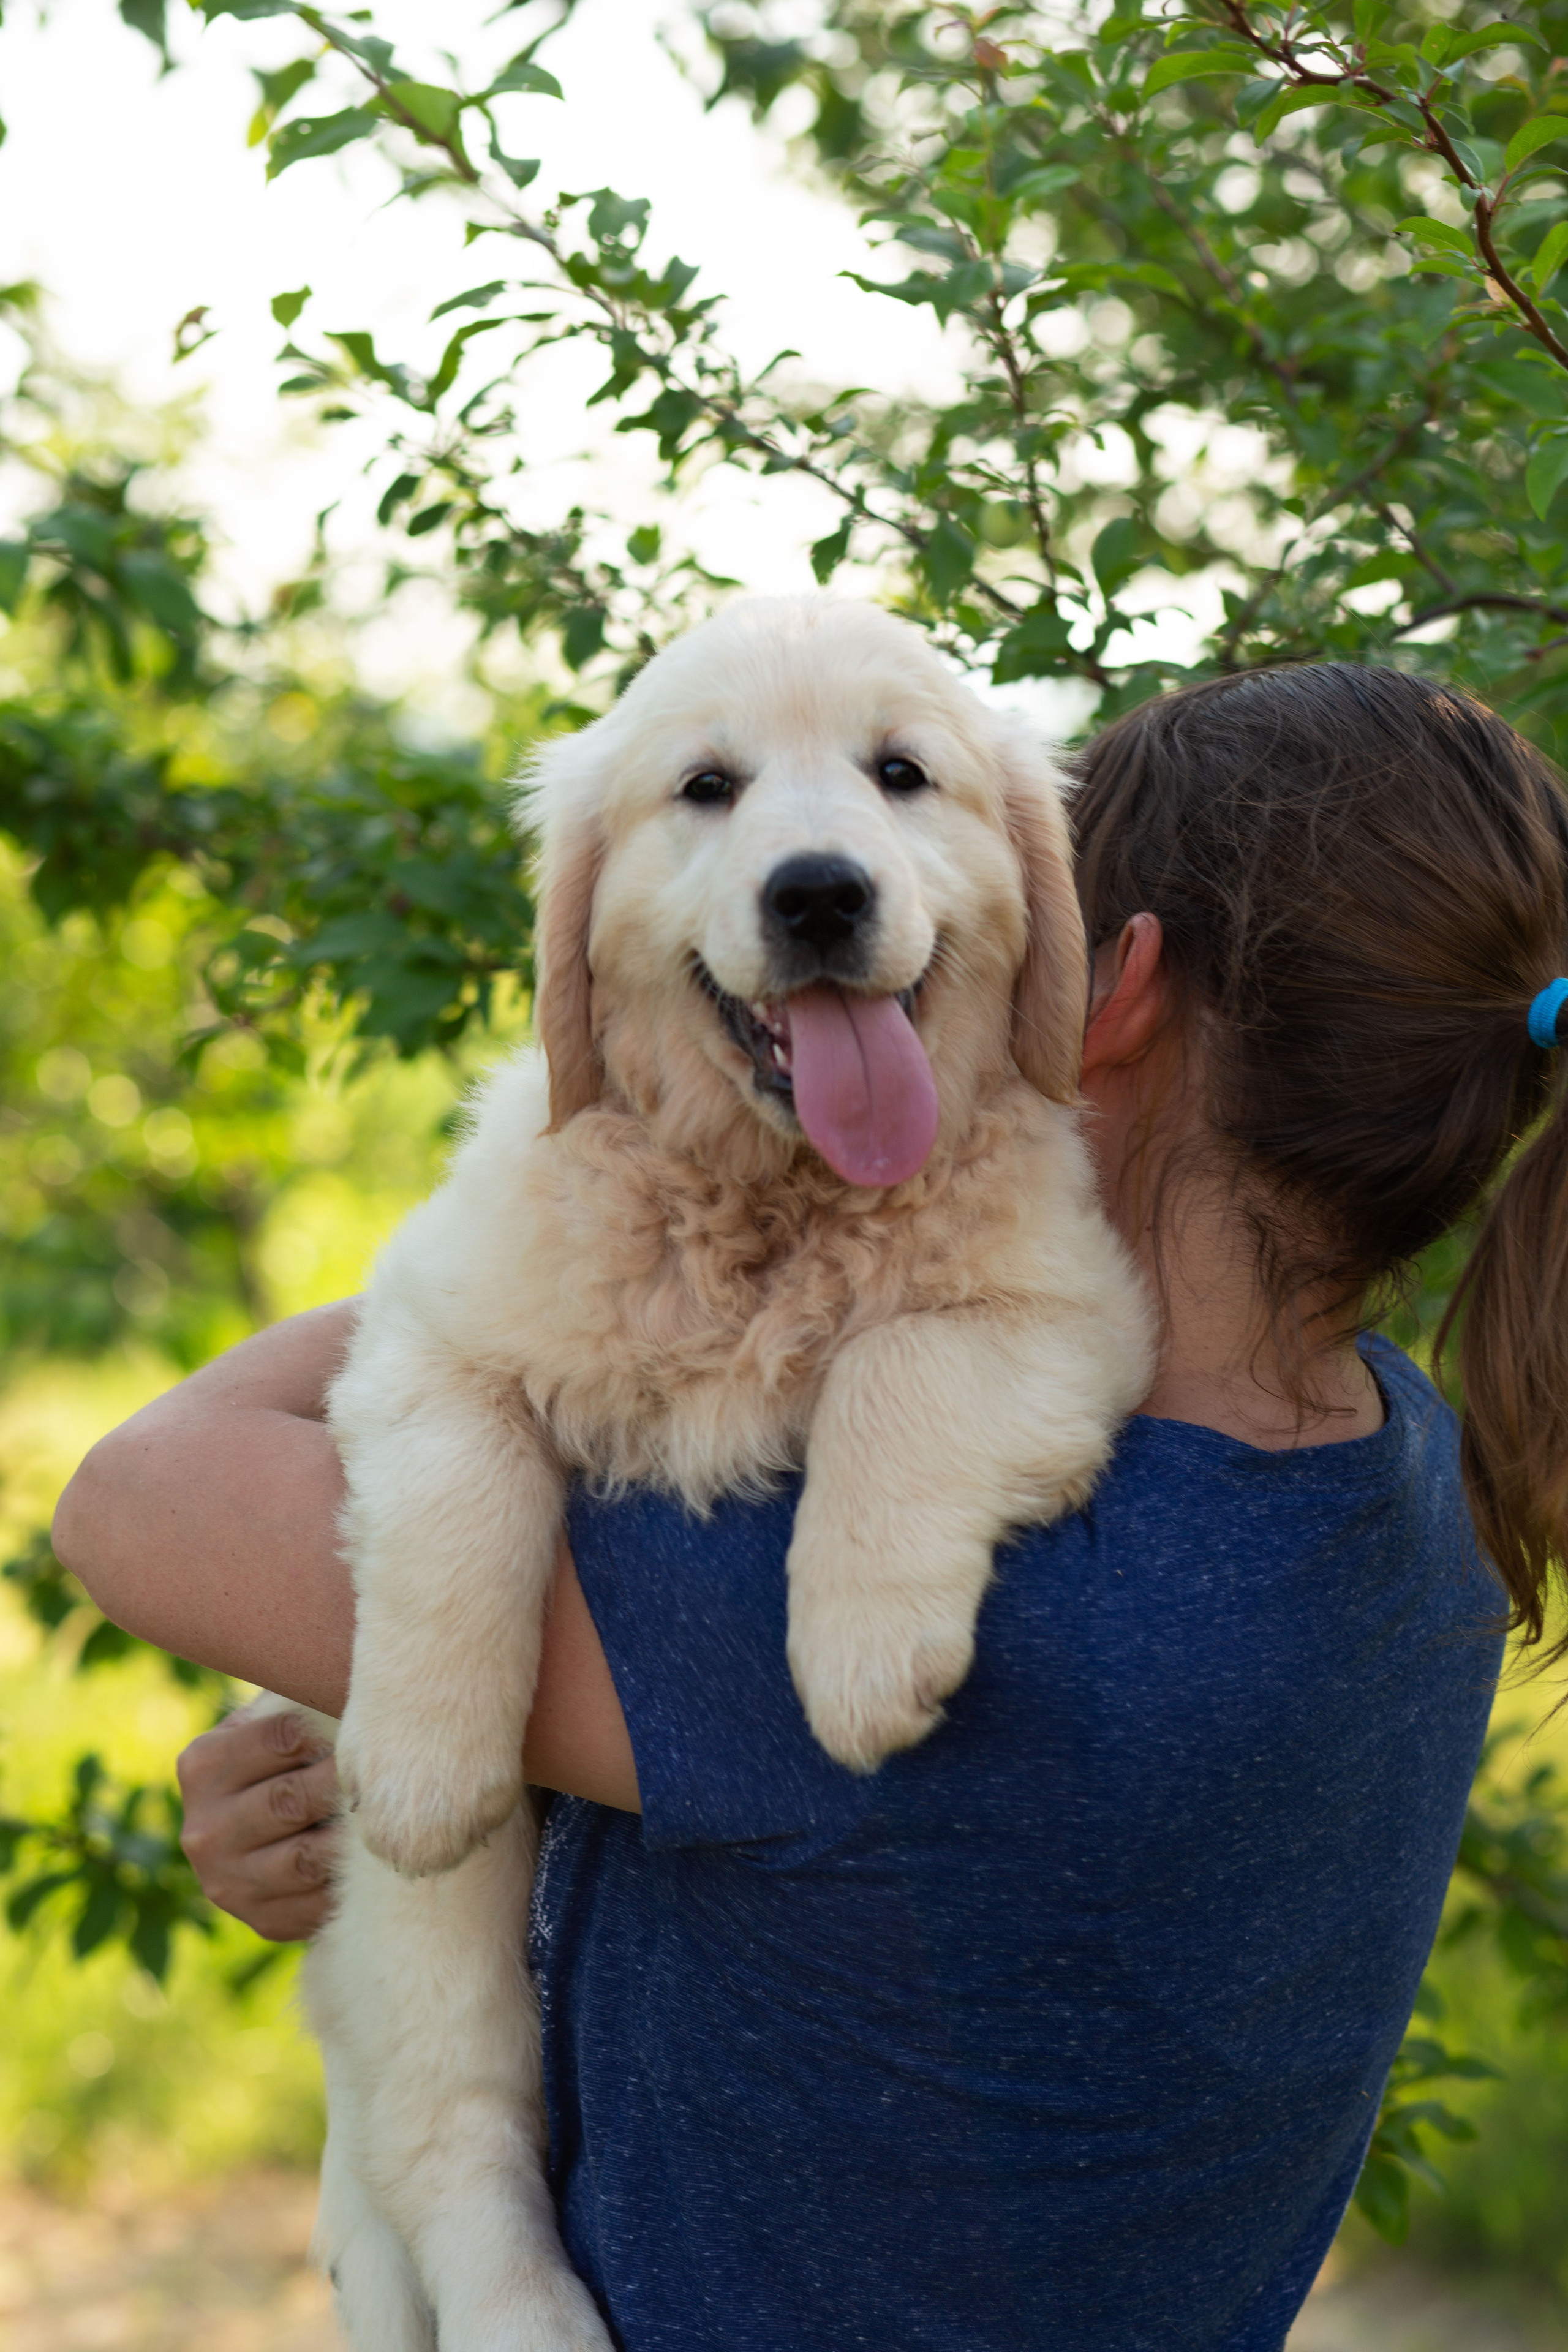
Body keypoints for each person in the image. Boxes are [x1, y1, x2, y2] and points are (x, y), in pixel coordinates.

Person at [53, 663, 1568, 2351]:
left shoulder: (962, 1609)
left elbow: (141, 1501)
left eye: (913, 789)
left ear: (1104, 979)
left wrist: (570, 1237)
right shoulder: (1404, 1472)